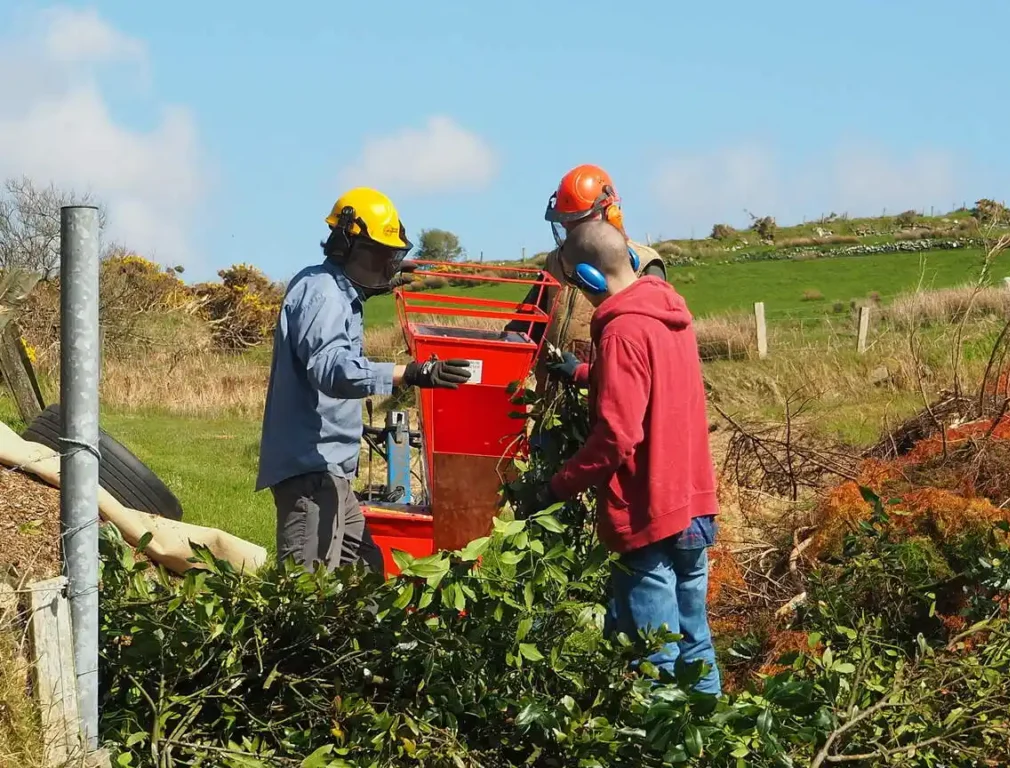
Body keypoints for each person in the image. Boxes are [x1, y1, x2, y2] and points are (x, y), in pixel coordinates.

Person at [536, 218, 721, 695]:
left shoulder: (619, 332)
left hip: (649, 511)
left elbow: (617, 436)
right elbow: (651, 384)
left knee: (656, 657)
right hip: (693, 504)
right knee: (694, 643)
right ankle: (713, 740)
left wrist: (558, 486)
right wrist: (583, 373)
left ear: (589, 281)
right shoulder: (671, 314)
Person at [256, 187, 473, 574]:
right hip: (310, 474)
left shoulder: (340, 294)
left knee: (366, 576)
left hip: (328, 473)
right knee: (306, 594)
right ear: (346, 245)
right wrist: (410, 373)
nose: (389, 265)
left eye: (393, 256)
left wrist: (385, 277)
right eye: (381, 254)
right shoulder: (323, 294)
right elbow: (329, 368)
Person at [505, 164, 667, 394]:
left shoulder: (643, 263)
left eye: (577, 224)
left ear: (610, 214)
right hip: (553, 398)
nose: (571, 234)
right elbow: (526, 325)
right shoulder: (555, 262)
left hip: (606, 397)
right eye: (566, 224)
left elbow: (656, 348)